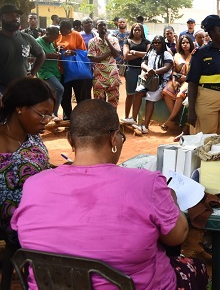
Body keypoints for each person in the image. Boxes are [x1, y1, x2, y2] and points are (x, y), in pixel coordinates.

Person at [11, 99, 209, 290]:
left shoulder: (34, 185)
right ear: (114, 138)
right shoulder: (147, 183)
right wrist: (171, 200)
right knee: (195, 267)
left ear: (70, 139)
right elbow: (177, 236)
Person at [0, 77, 54, 289]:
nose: (46, 120)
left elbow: (39, 168)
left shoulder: (32, 136)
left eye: (50, 114)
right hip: (17, 220)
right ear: (20, 108)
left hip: (41, 206)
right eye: (42, 113)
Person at [186, 15, 220, 135]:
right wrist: (191, 111)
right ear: (212, 32)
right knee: (207, 137)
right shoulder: (200, 54)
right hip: (207, 99)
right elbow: (192, 82)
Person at [131, 35, 173, 134]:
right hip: (148, 81)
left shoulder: (167, 54)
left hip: (161, 82)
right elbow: (143, 64)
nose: (157, 44)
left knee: (150, 100)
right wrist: (148, 69)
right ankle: (133, 118)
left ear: (163, 43)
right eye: (155, 42)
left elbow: (167, 67)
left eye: (159, 42)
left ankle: (145, 126)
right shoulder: (150, 53)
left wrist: (153, 71)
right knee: (138, 92)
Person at [0, 4, 45, 95]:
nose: (15, 18)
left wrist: (32, 72)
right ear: (2, 17)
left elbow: (41, 54)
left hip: (22, 88)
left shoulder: (26, 38)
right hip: (2, 90)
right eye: (11, 15)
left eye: (17, 16)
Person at [56, 19, 89, 120]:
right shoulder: (57, 35)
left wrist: (72, 52)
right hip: (62, 70)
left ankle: (80, 117)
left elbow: (83, 52)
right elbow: (53, 47)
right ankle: (68, 116)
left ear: (69, 29)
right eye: (60, 29)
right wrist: (58, 50)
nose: (61, 32)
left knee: (80, 94)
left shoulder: (76, 35)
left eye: (63, 30)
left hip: (76, 71)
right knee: (65, 95)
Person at [161, 34, 194, 131]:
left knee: (180, 95)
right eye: (183, 43)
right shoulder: (177, 55)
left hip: (189, 80)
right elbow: (174, 70)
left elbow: (195, 72)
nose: (185, 45)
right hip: (177, 79)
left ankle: (170, 119)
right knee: (166, 91)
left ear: (190, 44)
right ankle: (176, 118)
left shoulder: (194, 55)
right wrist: (174, 81)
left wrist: (186, 78)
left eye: (187, 42)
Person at [87, 20, 122, 108]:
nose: (103, 27)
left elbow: (116, 55)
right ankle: (101, 121)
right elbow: (93, 59)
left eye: (104, 25)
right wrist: (108, 53)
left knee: (113, 100)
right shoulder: (92, 41)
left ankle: (112, 120)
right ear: (96, 28)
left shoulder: (114, 40)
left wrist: (107, 40)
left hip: (112, 75)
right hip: (98, 75)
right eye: (100, 25)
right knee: (99, 101)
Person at [121, 23, 150, 124]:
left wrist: (134, 52)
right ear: (132, 31)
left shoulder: (146, 42)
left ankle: (136, 118)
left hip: (143, 71)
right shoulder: (127, 41)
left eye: (139, 30)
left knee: (140, 94)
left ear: (142, 31)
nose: (137, 32)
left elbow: (149, 55)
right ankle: (126, 116)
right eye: (135, 30)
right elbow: (126, 56)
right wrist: (141, 55)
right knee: (130, 94)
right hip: (131, 70)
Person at [35, 26, 64, 119]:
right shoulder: (37, 42)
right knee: (60, 89)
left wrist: (56, 53)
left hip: (55, 71)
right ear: (47, 34)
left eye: (56, 38)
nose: (54, 40)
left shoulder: (50, 43)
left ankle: (47, 114)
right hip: (45, 71)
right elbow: (32, 58)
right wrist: (48, 56)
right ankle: (53, 114)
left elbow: (52, 52)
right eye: (53, 38)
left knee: (50, 94)